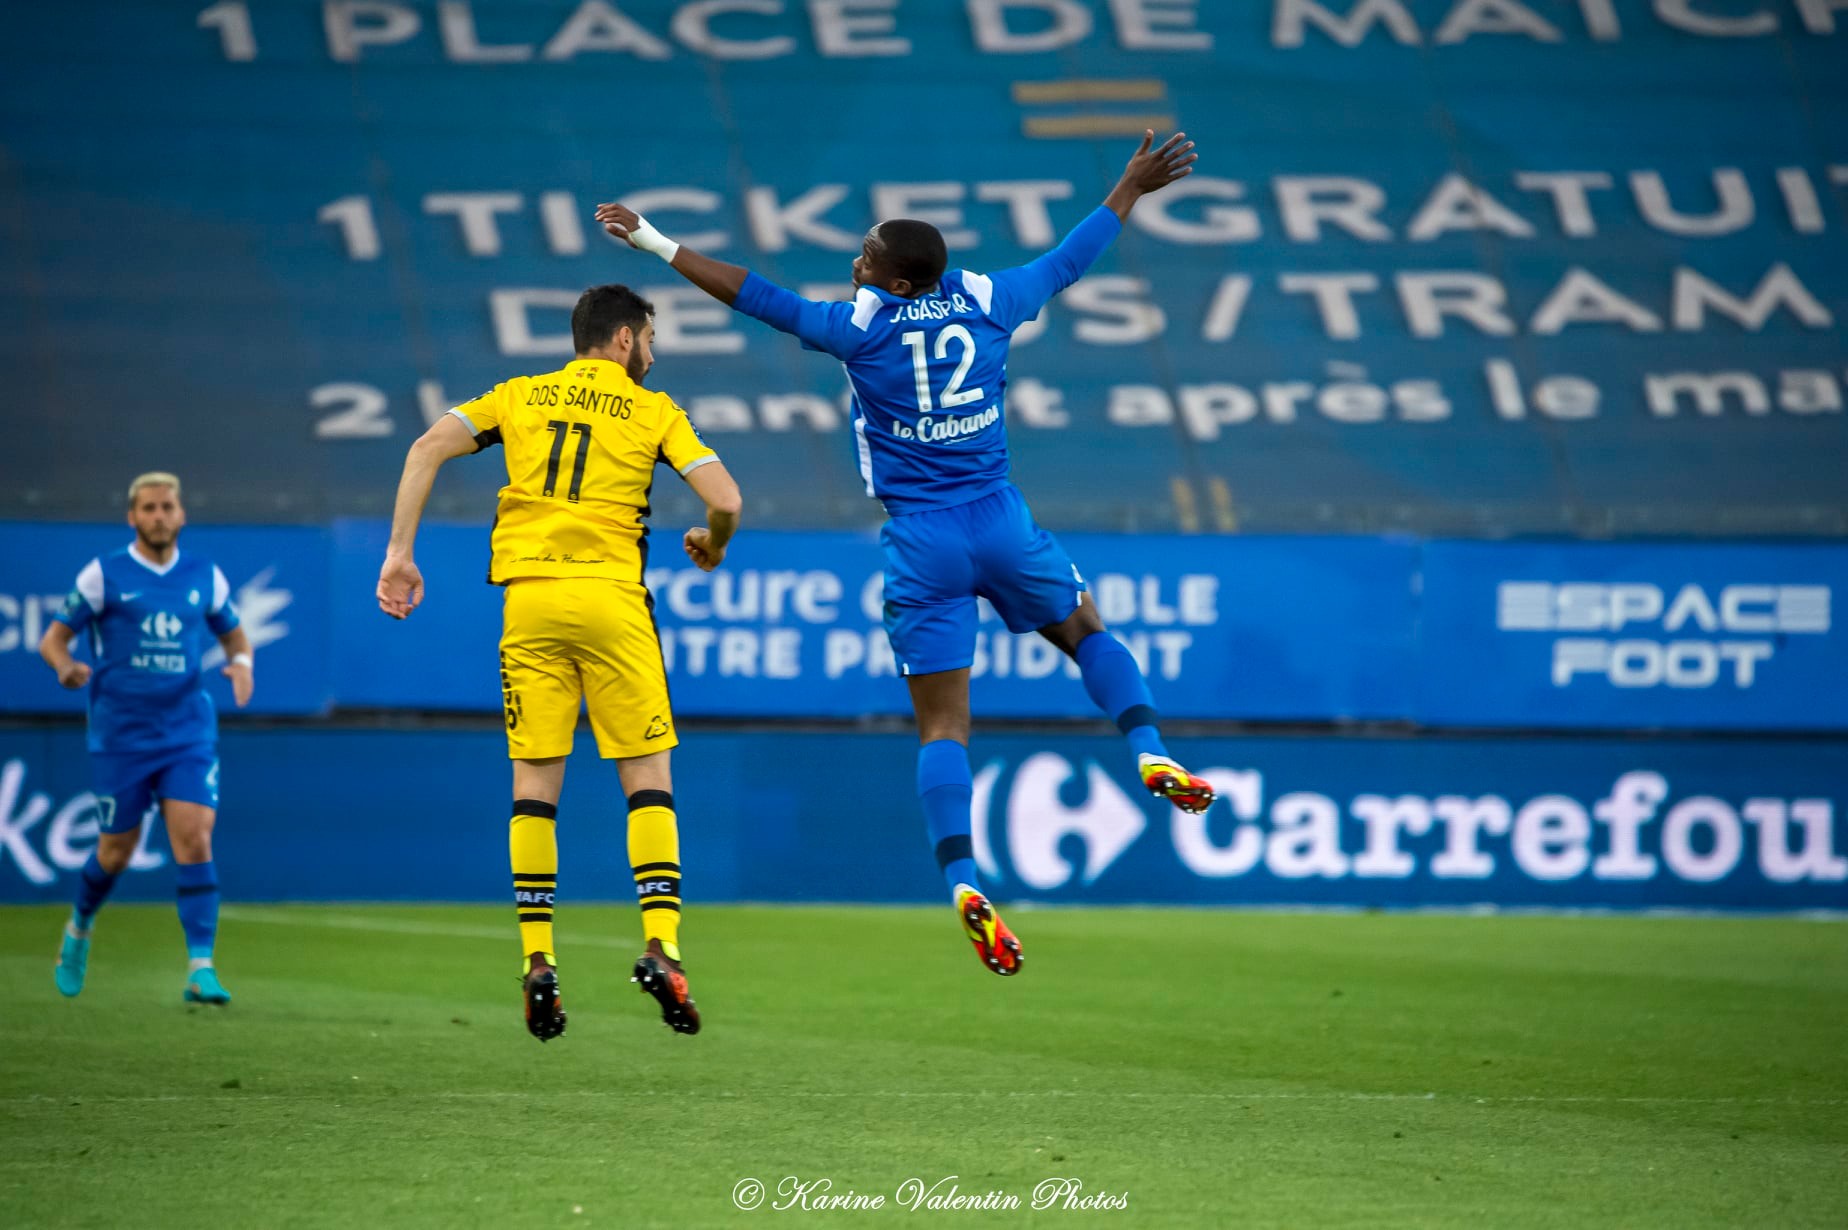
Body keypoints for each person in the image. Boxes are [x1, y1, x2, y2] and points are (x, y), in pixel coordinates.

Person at [595, 131, 1212, 978]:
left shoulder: (860, 330)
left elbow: (756, 296)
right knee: (1085, 631)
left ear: (895, 281)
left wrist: (655, 242)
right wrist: (1129, 189)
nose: (854, 263)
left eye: (866, 257)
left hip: (922, 538)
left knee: (943, 724)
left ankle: (962, 878)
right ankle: (1147, 746)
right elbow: (1070, 259)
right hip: (1000, 518)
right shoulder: (992, 298)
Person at [377, 283, 741, 1040]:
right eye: (649, 337)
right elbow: (727, 498)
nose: (653, 351)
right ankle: (662, 947)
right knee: (646, 777)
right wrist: (714, 541)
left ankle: (538, 961)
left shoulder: (518, 395)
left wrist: (399, 555)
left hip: (530, 603)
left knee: (535, 787)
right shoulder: (655, 410)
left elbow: (426, 448)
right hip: (611, 600)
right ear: (622, 340)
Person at [41, 472, 255, 1004]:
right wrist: (64, 665)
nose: (159, 516)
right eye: (149, 508)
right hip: (121, 736)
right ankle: (80, 927)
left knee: (195, 835)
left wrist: (242, 663)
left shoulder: (204, 575)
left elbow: (232, 631)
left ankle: (201, 968)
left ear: (181, 515)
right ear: (132, 517)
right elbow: (53, 639)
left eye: (167, 507)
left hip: (186, 730)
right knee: (115, 852)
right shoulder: (103, 574)